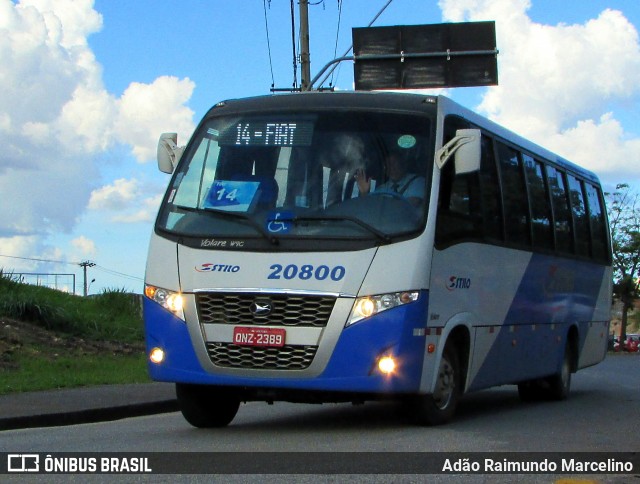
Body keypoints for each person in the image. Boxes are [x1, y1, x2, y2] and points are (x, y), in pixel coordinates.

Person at [354, 151, 425, 206]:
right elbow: (370, 209)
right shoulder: (382, 189)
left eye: (395, 164)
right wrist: (364, 193)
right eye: (388, 165)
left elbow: (411, 205)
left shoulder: (417, 181)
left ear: (403, 165)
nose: (392, 168)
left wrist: (383, 207)